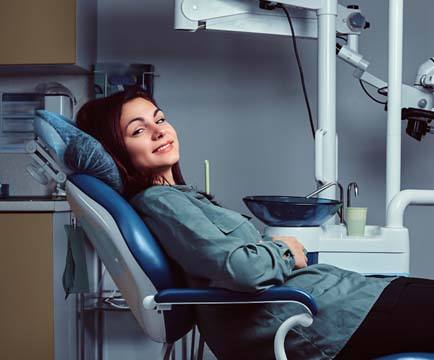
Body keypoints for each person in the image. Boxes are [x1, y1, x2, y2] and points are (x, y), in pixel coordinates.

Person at [76, 87, 434, 360]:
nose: (159, 131)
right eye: (138, 131)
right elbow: (242, 269)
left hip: (344, 301)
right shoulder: (161, 202)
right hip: (327, 318)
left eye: (160, 118)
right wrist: (285, 251)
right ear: (117, 152)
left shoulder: (177, 198)